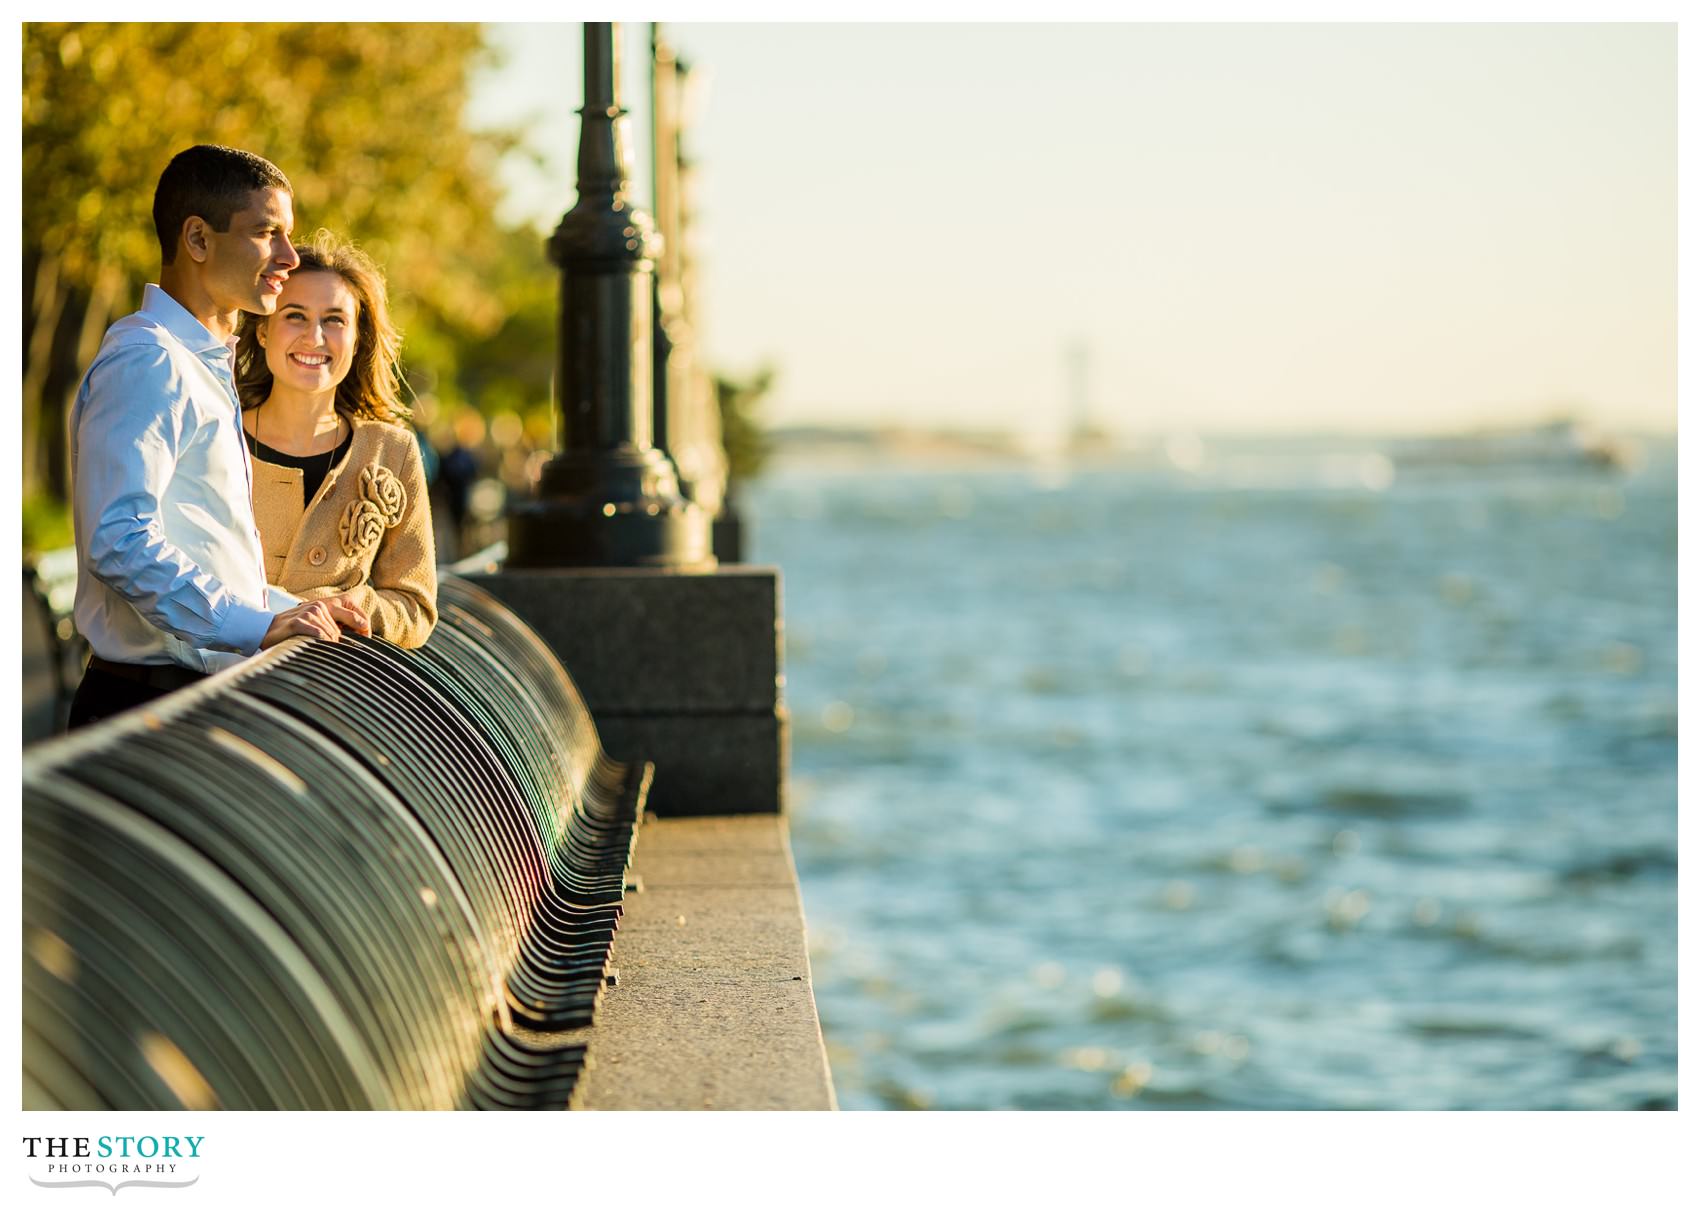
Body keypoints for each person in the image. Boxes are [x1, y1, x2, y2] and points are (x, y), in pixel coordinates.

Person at [69, 145, 370, 731]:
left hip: (186, 703)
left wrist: (296, 610)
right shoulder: (149, 360)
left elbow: (206, 549)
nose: (288, 257)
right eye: (267, 233)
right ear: (199, 240)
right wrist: (255, 626)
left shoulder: (198, 364)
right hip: (146, 711)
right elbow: (119, 540)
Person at [233, 231, 437, 647]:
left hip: (333, 699)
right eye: (294, 316)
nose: (315, 337)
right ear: (263, 331)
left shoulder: (393, 451)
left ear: (357, 336)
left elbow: (416, 606)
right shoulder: (217, 436)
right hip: (219, 692)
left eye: (334, 319)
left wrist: (347, 604)